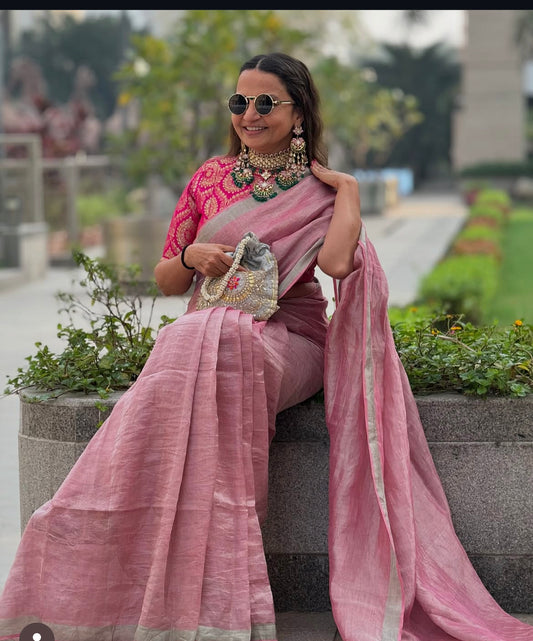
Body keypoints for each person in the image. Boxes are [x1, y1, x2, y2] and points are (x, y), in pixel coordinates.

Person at [0, 52, 531, 641]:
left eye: (263, 103)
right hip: (221, 337)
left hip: (291, 338)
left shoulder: (322, 189)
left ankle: (218, 599)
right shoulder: (208, 178)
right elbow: (168, 280)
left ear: (299, 112)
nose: (248, 115)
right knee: (209, 333)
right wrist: (187, 257)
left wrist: (348, 191)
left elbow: (335, 265)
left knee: (211, 337)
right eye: (239, 103)